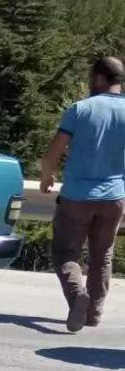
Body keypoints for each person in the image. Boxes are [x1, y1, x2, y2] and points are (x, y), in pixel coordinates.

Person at [40, 56, 125, 332]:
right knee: (102, 256)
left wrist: (47, 174)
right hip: (113, 198)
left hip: (77, 196)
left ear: (99, 78)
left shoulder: (80, 109)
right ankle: (93, 314)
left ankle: (78, 296)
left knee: (66, 251)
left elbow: (56, 149)